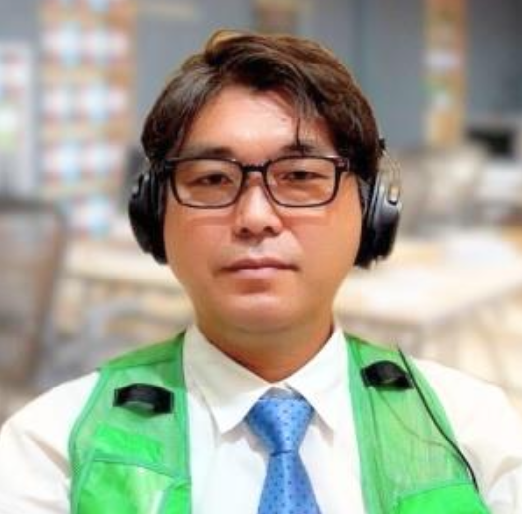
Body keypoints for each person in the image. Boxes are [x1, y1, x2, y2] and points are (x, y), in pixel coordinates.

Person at [1, 29, 521, 514]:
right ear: (155, 214)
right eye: (211, 179)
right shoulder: (53, 449)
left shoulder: (474, 430)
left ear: (370, 211)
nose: (255, 217)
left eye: (300, 175)